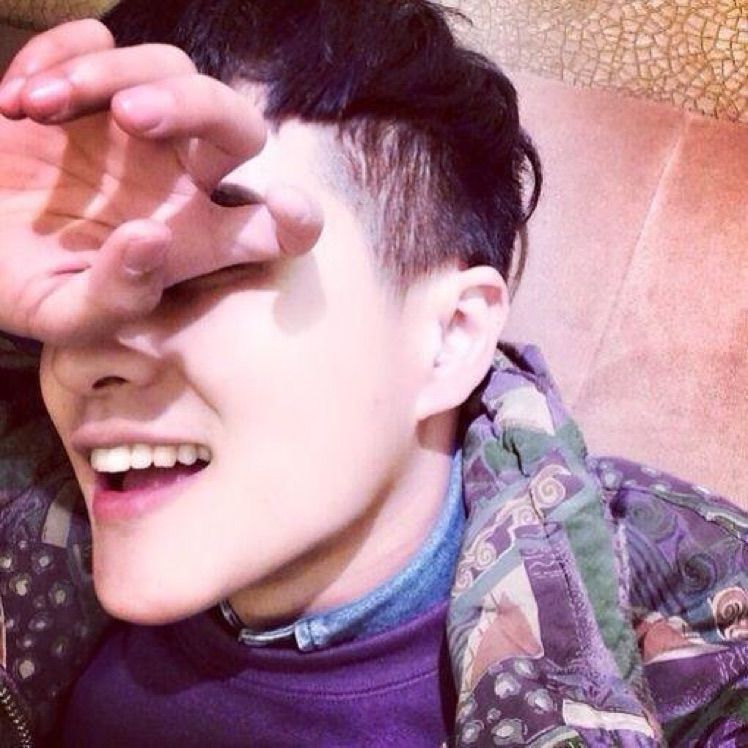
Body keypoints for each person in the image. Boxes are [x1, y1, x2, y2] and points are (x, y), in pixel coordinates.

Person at [0, 1, 746, 745]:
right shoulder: (26, 472)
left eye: (196, 274)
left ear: (449, 337)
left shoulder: (703, 628)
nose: (82, 357)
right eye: (77, 279)